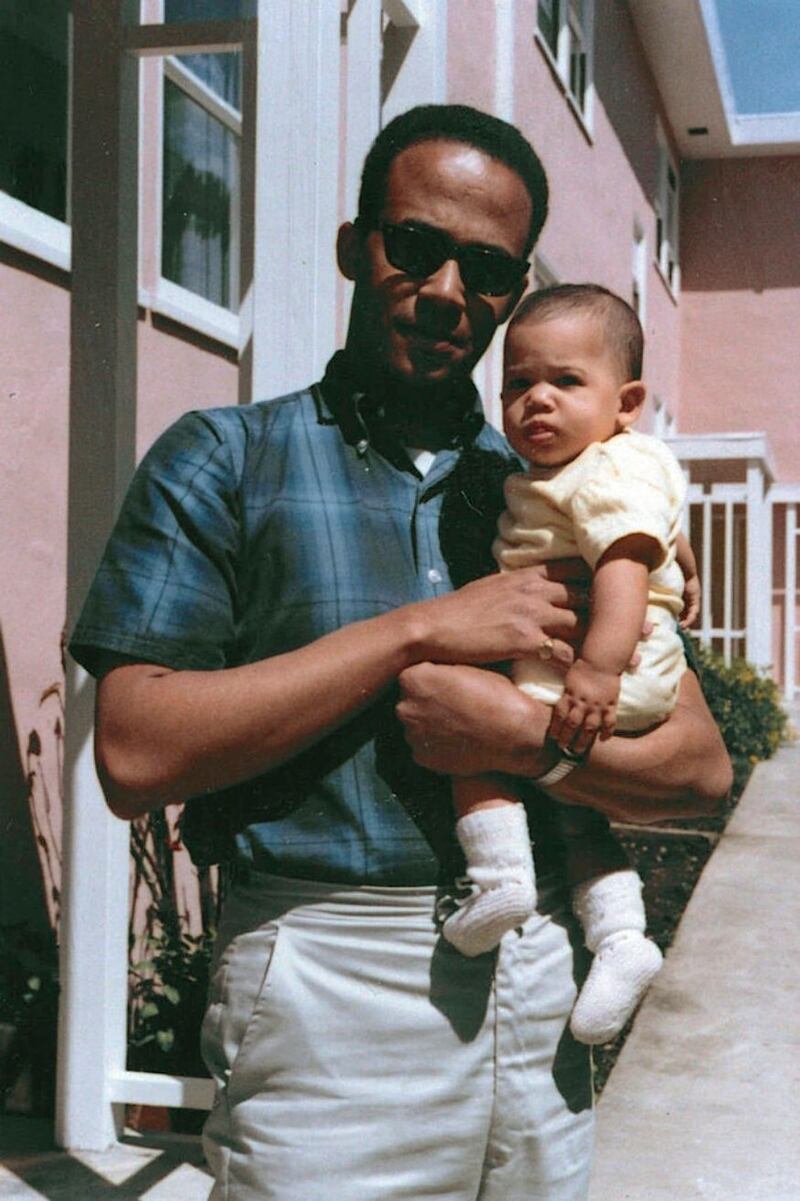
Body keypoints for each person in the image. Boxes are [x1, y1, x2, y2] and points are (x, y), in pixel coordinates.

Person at [70, 105, 731, 1201]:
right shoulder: (228, 461)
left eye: (488, 269)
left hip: (538, 985)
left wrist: (522, 740)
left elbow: (698, 770)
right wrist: (416, 633)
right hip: (328, 987)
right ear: (354, 245)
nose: (446, 291)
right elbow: (134, 755)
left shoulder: (556, 492)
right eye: (415, 246)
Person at [443, 283, 700, 1047]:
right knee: (575, 811)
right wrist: (686, 567)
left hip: (599, 660)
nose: (537, 400)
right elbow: (659, 534)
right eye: (518, 382)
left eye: (565, 381)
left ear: (627, 402)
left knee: (458, 716)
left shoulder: (596, 472)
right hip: (627, 661)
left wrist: (596, 671)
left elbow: (621, 566)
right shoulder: (631, 463)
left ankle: (499, 878)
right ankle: (621, 936)